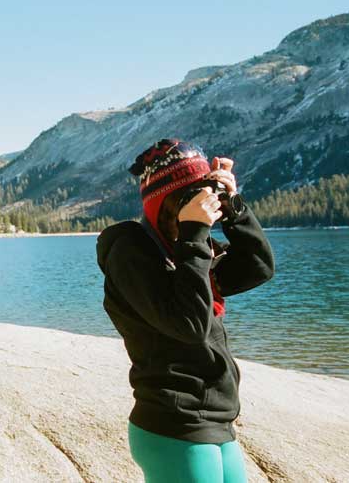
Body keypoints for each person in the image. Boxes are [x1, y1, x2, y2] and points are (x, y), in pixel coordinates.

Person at [96, 138, 275, 483]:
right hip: (173, 424)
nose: (207, 209)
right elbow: (189, 324)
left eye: (208, 197)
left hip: (216, 420)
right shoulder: (133, 254)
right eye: (194, 198)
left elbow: (258, 268)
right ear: (165, 204)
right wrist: (193, 236)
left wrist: (235, 208)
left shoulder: (189, 250)